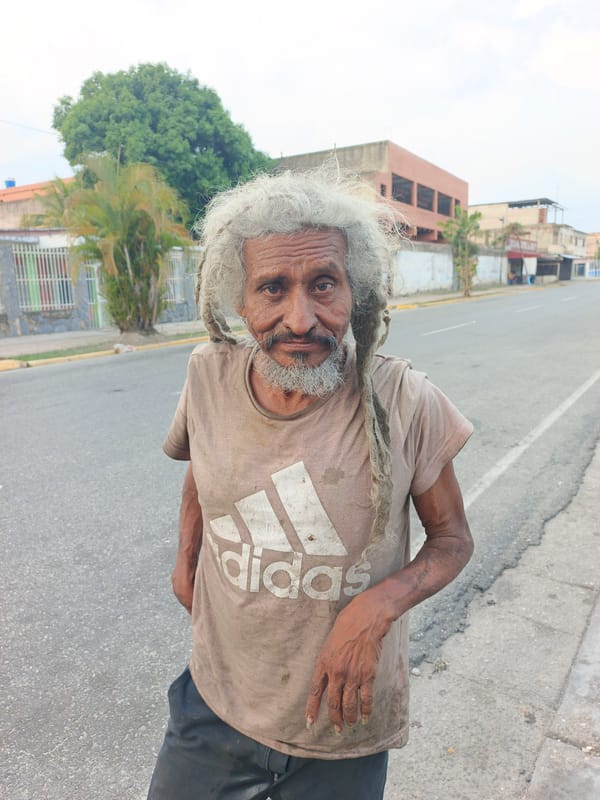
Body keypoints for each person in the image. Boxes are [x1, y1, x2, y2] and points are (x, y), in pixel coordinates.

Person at [147, 169, 474, 800]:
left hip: (341, 725)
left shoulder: (405, 399)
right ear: (241, 300)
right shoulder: (208, 376)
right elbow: (202, 468)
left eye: (324, 284)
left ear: (356, 290)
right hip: (213, 708)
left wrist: (377, 607)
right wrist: (185, 561)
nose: (300, 319)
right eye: (273, 287)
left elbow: (453, 540)